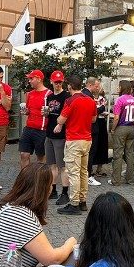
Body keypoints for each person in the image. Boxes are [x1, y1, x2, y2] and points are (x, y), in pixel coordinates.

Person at [56, 76, 97, 215]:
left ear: (70, 86)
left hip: (74, 140)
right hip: (87, 140)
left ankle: (74, 204)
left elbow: (61, 119)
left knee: (73, 173)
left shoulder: (70, 100)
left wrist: (60, 120)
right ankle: (82, 201)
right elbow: (93, 119)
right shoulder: (90, 100)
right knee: (83, 172)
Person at [45, 70, 71, 205]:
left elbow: (67, 115)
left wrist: (61, 125)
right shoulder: (49, 97)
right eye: (56, 82)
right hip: (49, 133)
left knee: (62, 166)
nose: (58, 84)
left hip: (61, 135)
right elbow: (50, 114)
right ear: (51, 82)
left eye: (60, 82)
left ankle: (65, 192)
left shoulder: (66, 96)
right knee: (52, 165)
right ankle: (53, 190)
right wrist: (46, 114)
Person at [19, 69, 52, 168]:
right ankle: (25, 180)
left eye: (31, 78)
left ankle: (39, 181)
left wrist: (48, 113)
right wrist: (26, 112)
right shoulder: (30, 94)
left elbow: (52, 111)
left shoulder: (48, 94)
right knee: (24, 154)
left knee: (41, 158)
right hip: (28, 128)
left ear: (38, 79)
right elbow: (29, 110)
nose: (29, 81)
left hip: (42, 130)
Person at [110, 80, 134, 186]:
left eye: (119, 87)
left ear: (122, 88)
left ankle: (116, 180)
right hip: (130, 128)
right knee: (130, 154)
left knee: (117, 155)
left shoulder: (120, 100)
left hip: (121, 128)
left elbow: (116, 117)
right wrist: (133, 125)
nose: (118, 88)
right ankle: (130, 179)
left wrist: (113, 129)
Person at [82, 77, 106, 183]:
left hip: (85, 127)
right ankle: (88, 175)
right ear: (90, 85)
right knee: (90, 152)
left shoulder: (83, 94)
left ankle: (85, 174)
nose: (98, 88)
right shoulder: (88, 96)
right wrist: (101, 109)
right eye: (96, 86)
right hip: (91, 128)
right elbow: (92, 112)